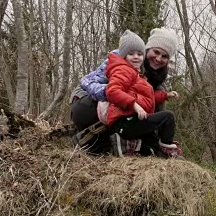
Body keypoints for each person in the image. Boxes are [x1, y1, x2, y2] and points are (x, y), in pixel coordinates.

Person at [69, 27, 179, 155]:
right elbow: (90, 83)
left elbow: (148, 96)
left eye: (164, 56)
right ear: (147, 49)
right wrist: (118, 96)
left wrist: (165, 95)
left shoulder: (152, 74)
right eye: (156, 52)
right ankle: (91, 138)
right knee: (117, 104)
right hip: (86, 101)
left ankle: (152, 144)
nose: (159, 58)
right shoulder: (122, 59)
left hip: (118, 106)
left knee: (156, 93)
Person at [101, 30, 182, 157]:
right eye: (131, 53)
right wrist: (134, 105)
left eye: (139, 54)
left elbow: (148, 97)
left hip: (133, 119)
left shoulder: (136, 73)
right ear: (124, 56)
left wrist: (165, 95)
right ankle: (167, 147)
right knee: (168, 117)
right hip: (124, 122)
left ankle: (154, 151)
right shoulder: (124, 70)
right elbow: (112, 91)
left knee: (151, 146)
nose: (136, 57)